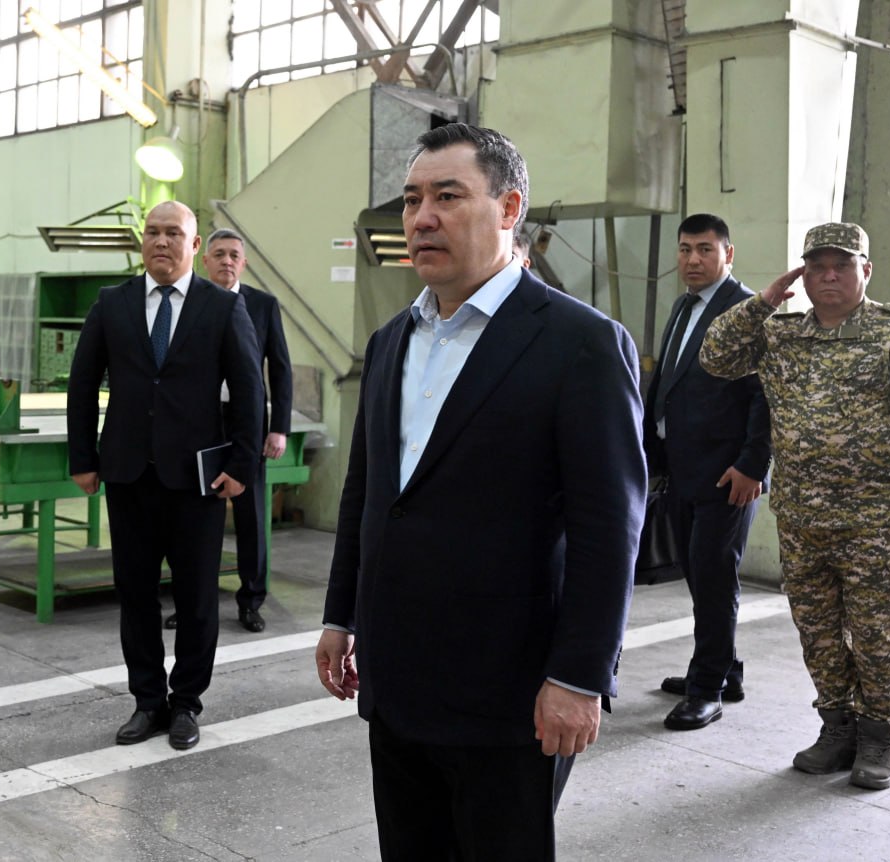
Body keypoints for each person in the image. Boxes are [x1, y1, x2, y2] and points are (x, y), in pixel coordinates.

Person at [314, 123, 646, 859]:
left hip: (510, 690)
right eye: (411, 201)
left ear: (508, 208)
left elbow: (609, 527)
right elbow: (368, 491)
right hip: (398, 676)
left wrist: (579, 676)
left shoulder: (579, 343)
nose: (421, 218)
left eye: (448, 197)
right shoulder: (391, 341)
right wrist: (342, 614)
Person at [701, 222, 890, 790]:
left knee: (876, 633)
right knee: (817, 631)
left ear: (866, 271)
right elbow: (715, 358)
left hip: (873, 518)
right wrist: (761, 303)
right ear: (803, 275)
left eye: (842, 265)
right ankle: (837, 727)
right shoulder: (781, 333)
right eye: (817, 267)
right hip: (802, 516)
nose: (828, 276)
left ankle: (880, 735)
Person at [67, 201, 263, 752]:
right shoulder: (112, 303)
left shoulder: (221, 307)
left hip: (197, 481)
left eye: (173, 233)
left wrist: (241, 466)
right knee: (136, 596)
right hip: (128, 474)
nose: (161, 241)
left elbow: (250, 389)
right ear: (142, 240)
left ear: (193, 245)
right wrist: (83, 457)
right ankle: (148, 701)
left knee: (197, 598)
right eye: (152, 232)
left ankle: (186, 704)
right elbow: (82, 383)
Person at [644, 214, 772, 731]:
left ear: (728, 254)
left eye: (704, 249)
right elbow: (670, 381)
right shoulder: (685, 305)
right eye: (684, 249)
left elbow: (766, 396)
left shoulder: (746, 311)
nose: (692, 259)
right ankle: (726, 670)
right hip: (683, 467)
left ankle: (706, 690)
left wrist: (752, 465)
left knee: (715, 578)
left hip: (728, 474)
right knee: (699, 575)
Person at [179, 227, 292, 633]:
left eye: (234, 255)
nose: (227, 261)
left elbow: (280, 368)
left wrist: (278, 428)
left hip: (247, 424)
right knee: (193, 518)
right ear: (205, 260)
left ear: (243, 263)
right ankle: (192, 601)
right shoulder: (187, 302)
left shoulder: (262, 305)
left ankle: (251, 601)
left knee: (250, 517)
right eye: (220, 254)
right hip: (201, 423)